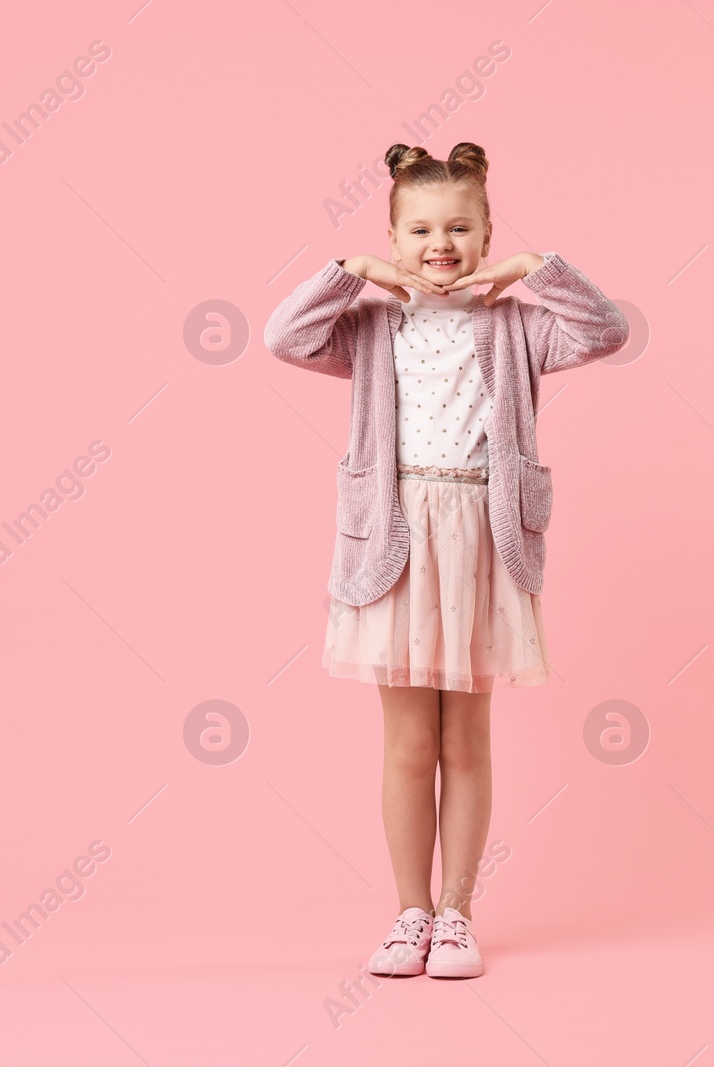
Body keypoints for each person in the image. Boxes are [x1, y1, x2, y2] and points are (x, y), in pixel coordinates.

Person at [264, 141, 628, 979]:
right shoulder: (367, 326)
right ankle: (409, 914)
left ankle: (459, 913)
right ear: (394, 239)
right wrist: (350, 270)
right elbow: (285, 337)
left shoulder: (518, 324)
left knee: (465, 738)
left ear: (486, 232)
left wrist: (536, 267)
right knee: (405, 745)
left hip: (482, 540)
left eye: (461, 227)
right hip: (392, 540)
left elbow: (604, 330)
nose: (441, 243)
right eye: (420, 228)